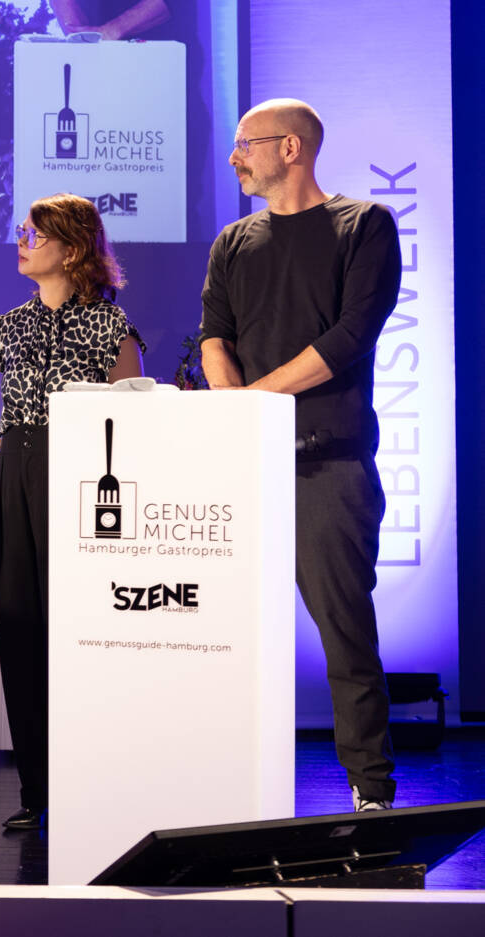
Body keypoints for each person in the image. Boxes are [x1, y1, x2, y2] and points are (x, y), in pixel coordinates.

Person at [201, 98, 401, 812]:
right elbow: (214, 334)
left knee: (345, 635)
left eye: (244, 146)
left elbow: (352, 335)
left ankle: (370, 793)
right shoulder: (232, 242)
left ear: (291, 148)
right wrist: (234, 406)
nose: (235, 158)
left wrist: (256, 400)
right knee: (214, 637)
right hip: (245, 468)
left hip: (328, 466)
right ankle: (216, 786)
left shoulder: (364, 226)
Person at [0, 193, 143, 830]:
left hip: (82, 473)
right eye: (22, 230)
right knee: (19, 625)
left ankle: (96, 782)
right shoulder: (5, 327)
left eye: (35, 233)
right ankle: (35, 789)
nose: (22, 240)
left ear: (73, 249)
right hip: (15, 467)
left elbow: (133, 418)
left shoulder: (112, 325)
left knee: (83, 629)